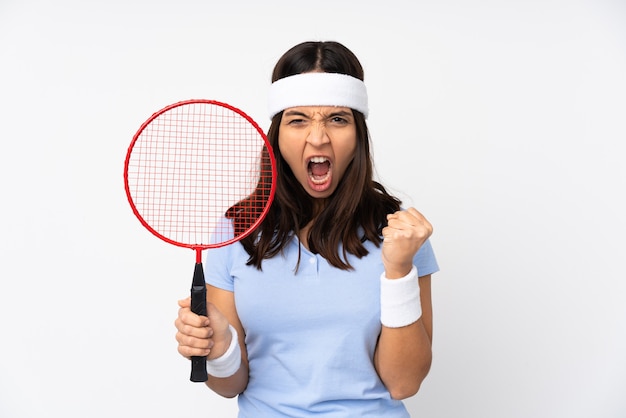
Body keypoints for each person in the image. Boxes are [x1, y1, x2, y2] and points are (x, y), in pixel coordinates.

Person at [174, 40, 439, 417]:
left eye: (337, 119)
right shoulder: (236, 230)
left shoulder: (400, 232)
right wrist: (220, 349)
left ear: (358, 133)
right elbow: (231, 384)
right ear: (277, 134)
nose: (318, 138)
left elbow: (403, 383)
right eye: (298, 120)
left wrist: (398, 272)